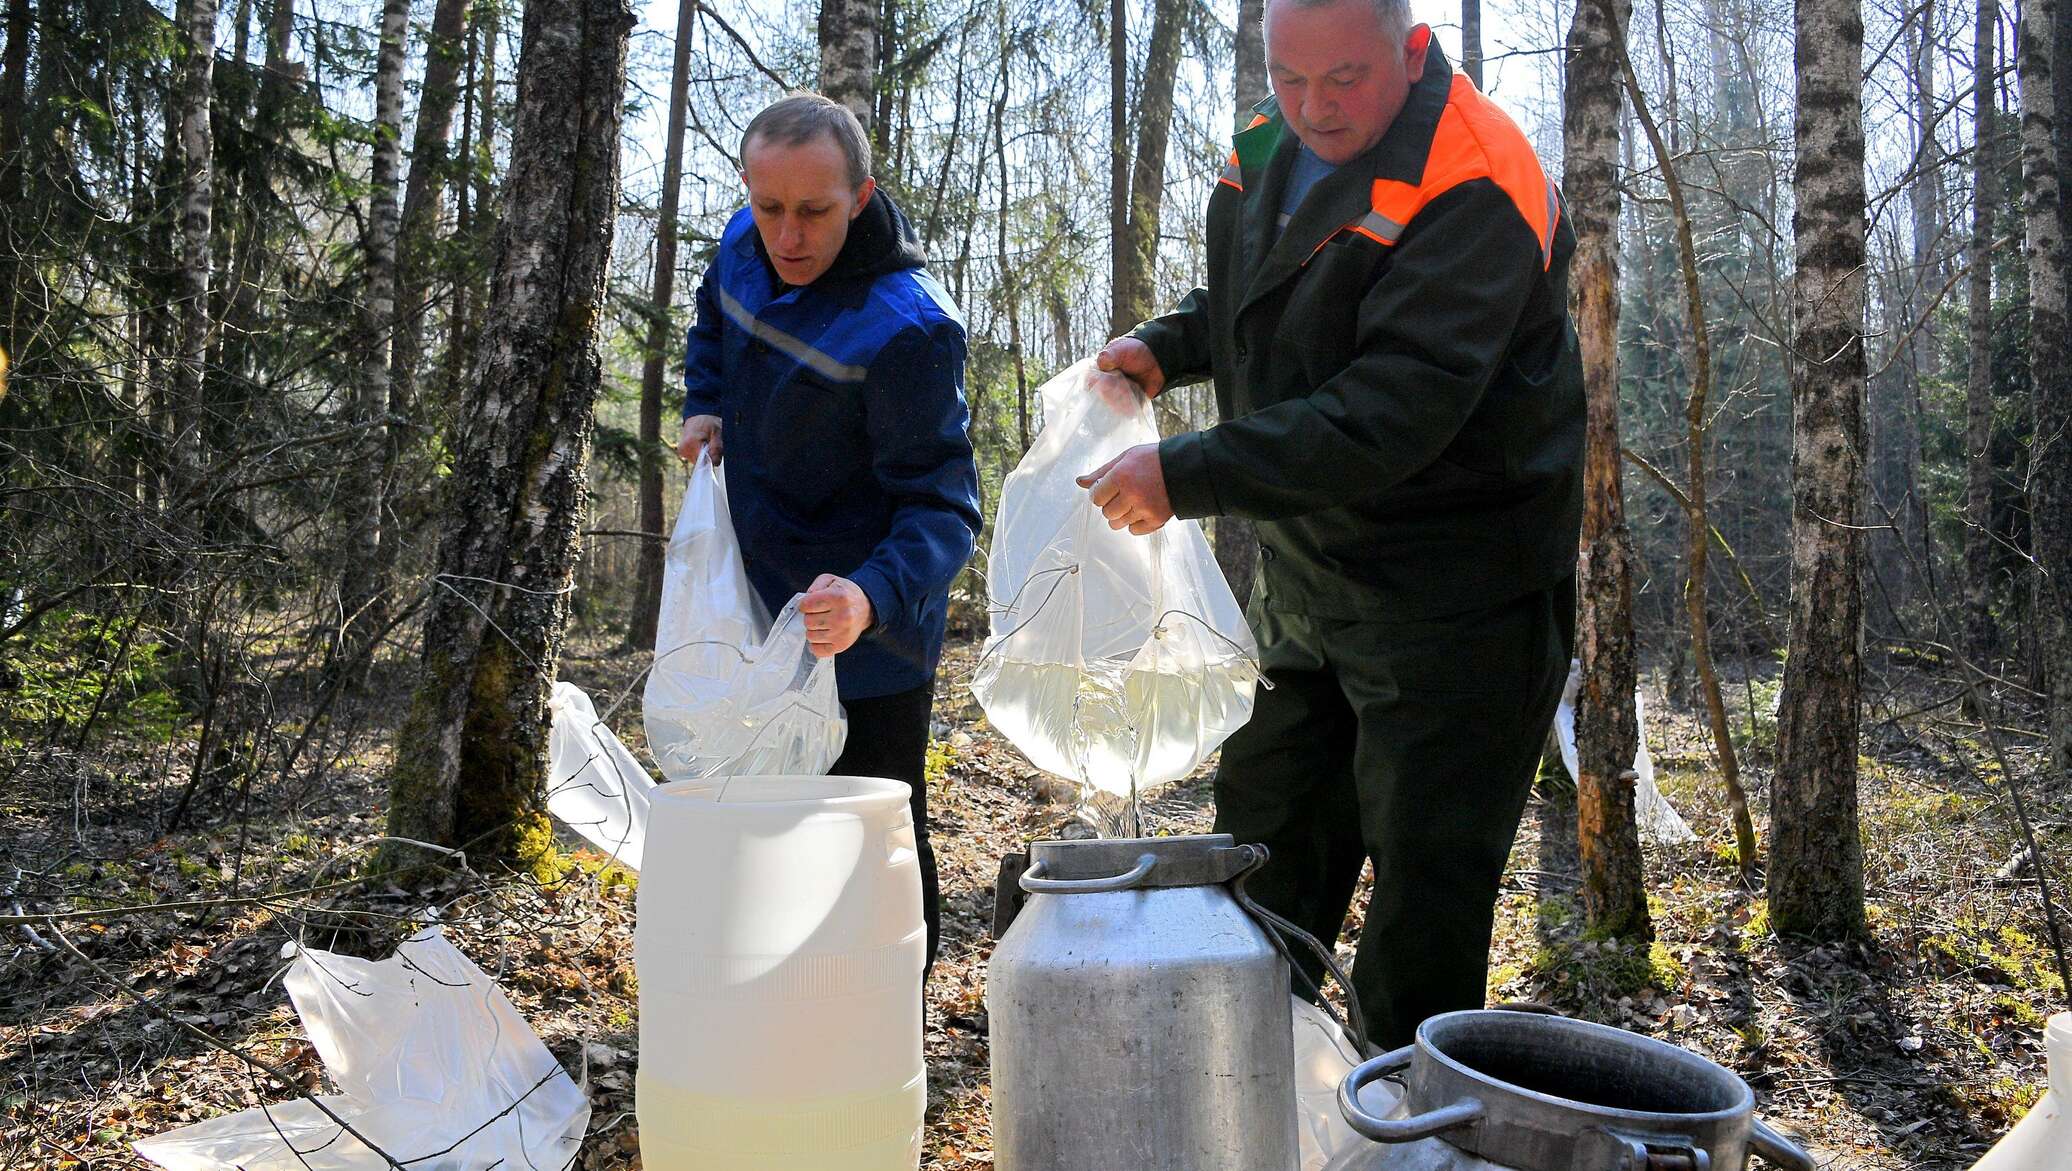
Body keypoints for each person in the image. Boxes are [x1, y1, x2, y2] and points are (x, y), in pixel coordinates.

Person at [1081, 0, 1584, 1049]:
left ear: (1408, 52)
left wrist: (1189, 469)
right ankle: (1244, 1100)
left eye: (1342, 79)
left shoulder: (1477, 175)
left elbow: (1392, 406)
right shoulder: (1268, 138)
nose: (1311, 108)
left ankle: (1409, 1127)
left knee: (1421, 905)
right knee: (1256, 863)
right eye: (1288, 77)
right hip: (1309, 579)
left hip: (1458, 598)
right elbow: (1264, 300)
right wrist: (1171, 346)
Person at [677, 93, 981, 983]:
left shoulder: (910, 328)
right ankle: (774, 1001)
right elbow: (712, 324)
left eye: (814, 211)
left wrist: (869, 595)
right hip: (758, 605)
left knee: (871, 842)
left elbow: (946, 507)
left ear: (860, 194)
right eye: (768, 206)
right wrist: (703, 400)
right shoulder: (742, 245)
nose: (787, 235)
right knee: (766, 833)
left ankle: (885, 1021)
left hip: (870, 634)